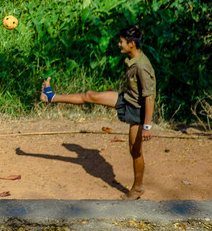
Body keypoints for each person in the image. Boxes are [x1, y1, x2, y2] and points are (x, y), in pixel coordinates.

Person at [40, 25, 156, 200]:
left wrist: (147, 126)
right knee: (90, 96)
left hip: (138, 111)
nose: (119, 44)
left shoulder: (142, 66)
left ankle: (138, 188)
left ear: (132, 44)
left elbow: (149, 98)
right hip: (127, 99)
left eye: (122, 42)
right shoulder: (135, 59)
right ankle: (50, 96)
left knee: (135, 151)